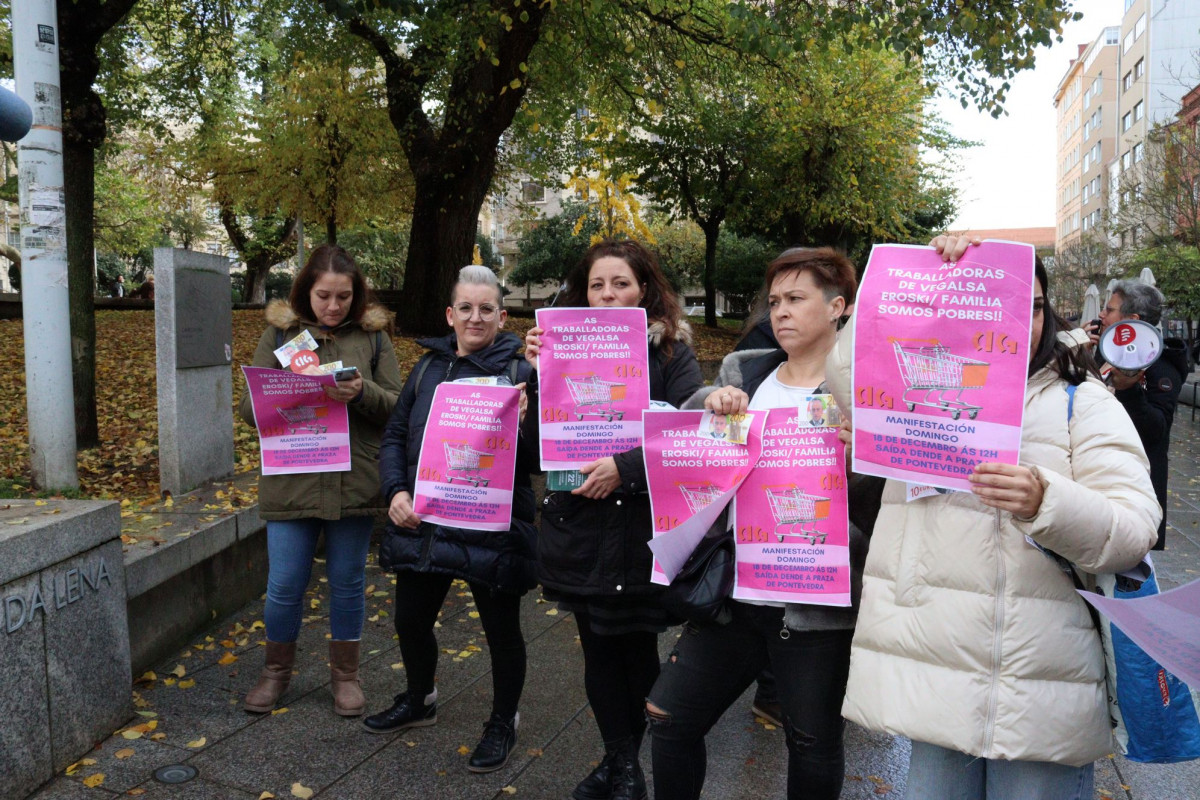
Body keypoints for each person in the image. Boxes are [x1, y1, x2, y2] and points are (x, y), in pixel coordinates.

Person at [828, 237, 1160, 800]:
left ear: (1046, 312)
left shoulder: (1083, 401)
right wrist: (920, 276)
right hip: (936, 674)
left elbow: (1132, 532)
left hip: (1043, 688)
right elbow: (846, 372)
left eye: (1029, 304)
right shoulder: (913, 391)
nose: (1014, 318)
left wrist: (1045, 500)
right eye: (992, 299)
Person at [645, 247, 868, 800]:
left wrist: (862, 455)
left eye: (796, 299)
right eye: (774, 302)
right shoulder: (745, 371)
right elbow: (697, 454)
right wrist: (709, 402)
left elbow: (891, 490)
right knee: (668, 716)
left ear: (838, 306)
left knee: (812, 743)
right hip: (737, 592)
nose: (780, 313)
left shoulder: (864, 390)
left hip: (816, 603)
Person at [523, 239, 704, 800]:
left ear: (643, 289)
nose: (608, 294)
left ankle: (636, 759)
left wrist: (624, 469)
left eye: (620, 283)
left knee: (638, 651)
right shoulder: (555, 352)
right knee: (599, 651)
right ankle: (621, 763)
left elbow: (691, 436)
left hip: (642, 529)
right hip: (580, 526)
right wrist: (534, 375)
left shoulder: (673, 353)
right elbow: (534, 453)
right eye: (598, 284)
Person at [362, 266, 538, 774]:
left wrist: (526, 423)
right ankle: (421, 699)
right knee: (410, 620)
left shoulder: (521, 371)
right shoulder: (426, 368)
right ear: (450, 314)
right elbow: (395, 435)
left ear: (502, 317)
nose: (475, 317)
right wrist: (394, 490)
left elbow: (536, 461)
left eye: (486, 309)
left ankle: (503, 721)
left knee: (501, 632)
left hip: (492, 527)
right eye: (466, 308)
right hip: (425, 520)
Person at [239, 243, 404, 716]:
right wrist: (289, 394)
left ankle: (345, 677)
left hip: (354, 479)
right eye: (324, 297)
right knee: (286, 583)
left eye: (344, 297)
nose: (333, 307)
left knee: (349, 582)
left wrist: (362, 392)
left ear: (358, 296)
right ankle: (275, 673)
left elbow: (397, 405)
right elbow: (249, 409)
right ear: (305, 293)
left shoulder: (374, 338)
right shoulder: (280, 333)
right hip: (293, 477)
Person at [1085, 280, 1186, 551]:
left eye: (1109, 310)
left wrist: (1129, 391)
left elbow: (1156, 430)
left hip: (1133, 487)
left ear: (1132, 320)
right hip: (1095, 473)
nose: (1101, 316)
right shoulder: (1103, 353)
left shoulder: (1161, 365)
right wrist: (1078, 356)